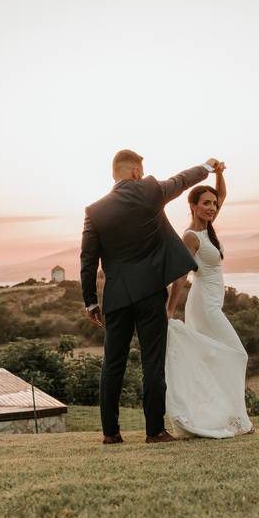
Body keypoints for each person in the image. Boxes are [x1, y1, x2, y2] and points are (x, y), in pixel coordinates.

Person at [80, 149, 221, 444]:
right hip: (150, 293)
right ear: (134, 171)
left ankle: (110, 433)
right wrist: (206, 167)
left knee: (112, 363)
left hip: (116, 296)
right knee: (152, 362)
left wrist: (91, 301)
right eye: (141, 171)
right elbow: (181, 181)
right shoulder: (148, 190)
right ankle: (154, 430)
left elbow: (88, 260)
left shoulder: (94, 211)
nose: (143, 175)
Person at [164, 163, 254, 438]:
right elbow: (179, 277)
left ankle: (228, 417)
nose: (213, 207)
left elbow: (222, 195)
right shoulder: (191, 236)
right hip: (204, 305)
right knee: (238, 354)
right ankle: (236, 419)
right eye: (206, 203)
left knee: (214, 361)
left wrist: (220, 173)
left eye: (213, 204)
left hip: (214, 302)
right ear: (192, 206)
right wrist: (168, 311)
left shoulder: (208, 228)